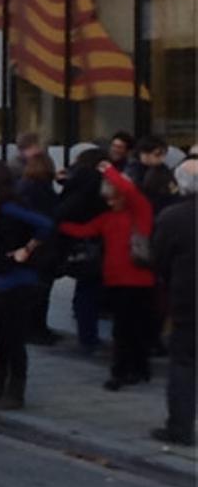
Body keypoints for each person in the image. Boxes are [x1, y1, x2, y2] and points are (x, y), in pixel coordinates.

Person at [59, 162, 156, 391]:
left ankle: (121, 372)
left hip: (135, 280)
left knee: (126, 330)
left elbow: (131, 192)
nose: (110, 203)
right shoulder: (112, 217)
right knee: (131, 328)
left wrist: (108, 170)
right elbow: (83, 230)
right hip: (123, 280)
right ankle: (138, 369)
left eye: (114, 198)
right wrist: (58, 224)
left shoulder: (139, 209)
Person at [0, 161, 53, 410]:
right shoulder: (1, 205)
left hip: (17, 280)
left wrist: (25, 250)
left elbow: (45, 224)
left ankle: (15, 392)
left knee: (13, 336)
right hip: (2, 279)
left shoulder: (10, 206)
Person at [150, 158, 196, 447]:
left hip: (187, 298)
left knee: (183, 364)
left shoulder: (172, 216)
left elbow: (159, 260)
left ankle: (180, 427)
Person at [54, 149, 108, 354]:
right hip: (91, 240)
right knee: (89, 289)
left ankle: (87, 336)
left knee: (85, 289)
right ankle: (88, 338)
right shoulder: (93, 182)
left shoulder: (75, 180)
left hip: (77, 242)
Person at [17, 152, 61, 346]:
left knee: (33, 291)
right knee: (41, 291)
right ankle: (36, 329)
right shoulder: (43, 189)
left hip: (29, 243)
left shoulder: (24, 186)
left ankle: (31, 328)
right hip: (41, 245)